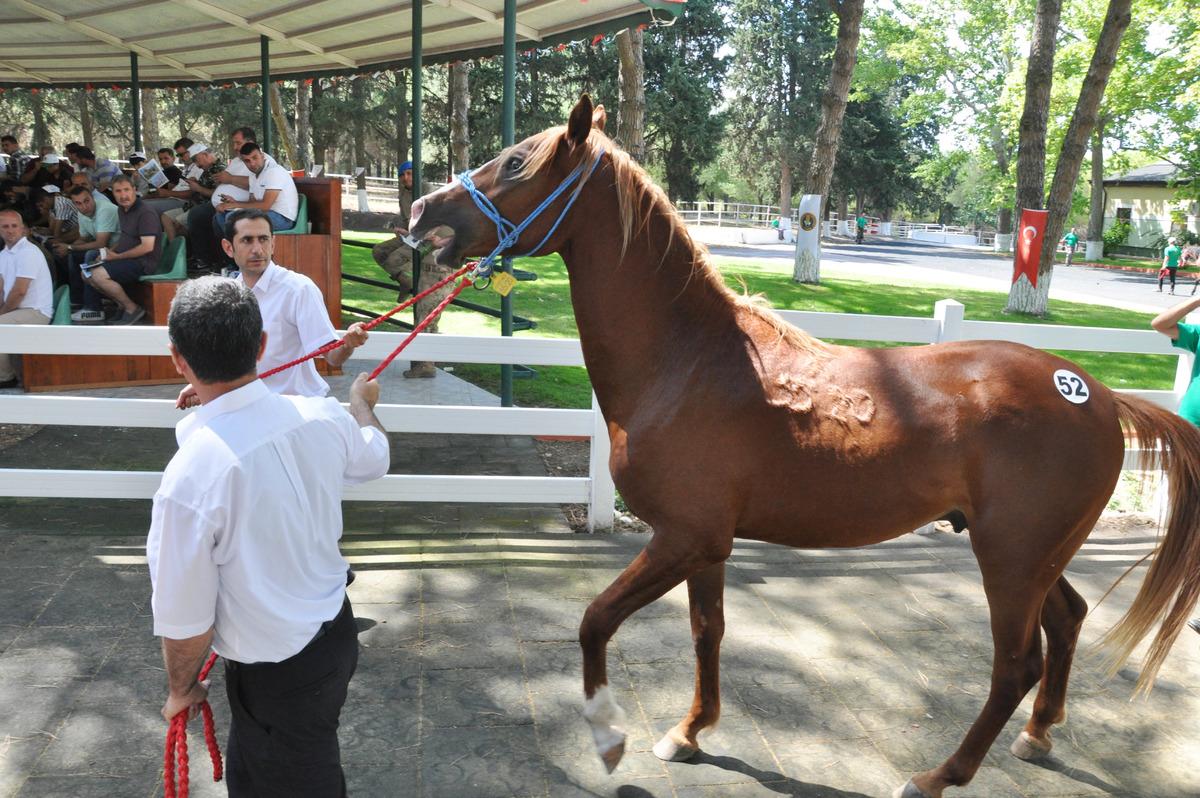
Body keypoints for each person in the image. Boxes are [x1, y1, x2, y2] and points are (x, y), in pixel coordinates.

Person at [148, 276, 390, 796]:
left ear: (177, 360)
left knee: (296, 777)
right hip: (333, 634)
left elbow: (185, 618)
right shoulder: (321, 416)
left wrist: (181, 689)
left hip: (279, 668)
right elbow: (374, 454)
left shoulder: (190, 481)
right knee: (266, 767)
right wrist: (362, 402)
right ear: (260, 346)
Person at [176, 209, 368, 407]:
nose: (257, 249)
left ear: (273, 243)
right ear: (228, 248)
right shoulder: (228, 293)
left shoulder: (299, 289)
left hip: (296, 411)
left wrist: (347, 344)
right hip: (248, 409)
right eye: (247, 240)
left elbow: (333, 358)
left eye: (263, 239)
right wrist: (205, 386)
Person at [371, 161, 451, 378]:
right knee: (424, 312)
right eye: (402, 175)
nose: (406, 178)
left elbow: (434, 225)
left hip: (436, 257)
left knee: (427, 314)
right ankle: (424, 363)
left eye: (410, 174)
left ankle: (426, 364)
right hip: (423, 247)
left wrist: (420, 236)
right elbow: (413, 222)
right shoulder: (404, 195)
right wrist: (406, 231)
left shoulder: (430, 194)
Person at [1149, 295, 1200, 636]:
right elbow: (1159, 324)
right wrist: (1196, 300)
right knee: (1188, 518)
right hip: (1189, 438)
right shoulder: (1198, 335)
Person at [71, 174, 160, 325]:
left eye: (126, 190)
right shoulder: (122, 209)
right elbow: (125, 239)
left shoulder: (145, 212)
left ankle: (133, 309)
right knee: (85, 273)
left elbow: (147, 247)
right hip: (127, 259)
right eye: (118, 191)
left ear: (134, 190)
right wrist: (106, 253)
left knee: (98, 275)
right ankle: (121, 305)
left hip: (143, 262)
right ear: (112, 192)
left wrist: (116, 257)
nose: (123, 195)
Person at [0, 209, 54, 389]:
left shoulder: (29, 252)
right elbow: (1, 289)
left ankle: (6, 378)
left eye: (14, 226)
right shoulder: (4, 254)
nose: (10, 230)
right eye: (5, 226)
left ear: (22, 229)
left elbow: (19, 291)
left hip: (36, 312)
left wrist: (3, 312)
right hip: (17, 310)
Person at [212, 142, 297, 238]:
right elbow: (252, 203)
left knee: (232, 218)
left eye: (255, 158)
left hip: (282, 218)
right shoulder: (253, 175)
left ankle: (238, 249)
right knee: (219, 216)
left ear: (262, 155)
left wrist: (235, 205)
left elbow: (265, 205)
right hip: (267, 213)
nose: (252, 163)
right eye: (247, 161)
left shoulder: (274, 172)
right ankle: (233, 249)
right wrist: (234, 202)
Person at [54, 185, 119, 310]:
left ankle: (93, 308)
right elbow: (83, 239)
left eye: (87, 201)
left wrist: (70, 247)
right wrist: (66, 249)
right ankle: (77, 299)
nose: (84, 206)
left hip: (119, 249)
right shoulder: (81, 213)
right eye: (78, 203)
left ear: (92, 197)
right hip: (106, 250)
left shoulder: (105, 209)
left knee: (90, 254)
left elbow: (101, 243)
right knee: (71, 255)